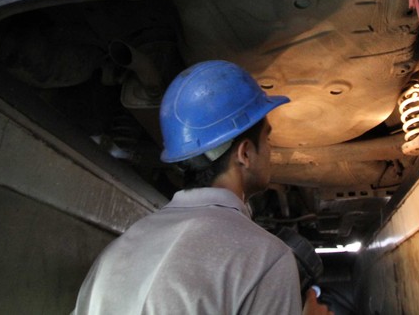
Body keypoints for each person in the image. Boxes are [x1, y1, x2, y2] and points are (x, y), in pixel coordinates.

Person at [73, 60, 331, 314]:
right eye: (268, 138)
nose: (271, 149)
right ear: (245, 153)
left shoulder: (114, 254)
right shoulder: (267, 259)